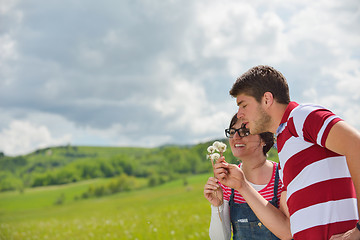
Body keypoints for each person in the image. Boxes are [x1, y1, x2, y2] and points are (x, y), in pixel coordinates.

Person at [215, 65, 360, 239]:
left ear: (267, 99)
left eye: (244, 105)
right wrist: (242, 186)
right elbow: (286, 230)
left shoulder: (301, 116)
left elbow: (356, 145)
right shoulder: (284, 144)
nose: (239, 114)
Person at [204, 113, 292, 239]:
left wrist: (243, 185)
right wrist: (217, 206)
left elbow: (289, 232)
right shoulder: (227, 181)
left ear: (263, 139)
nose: (235, 137)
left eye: (244, 132)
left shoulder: (283, 176)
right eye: (232, 131)